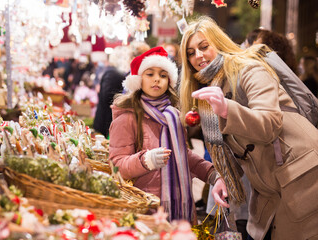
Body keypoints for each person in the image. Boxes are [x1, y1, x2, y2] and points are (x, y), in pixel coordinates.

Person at [179, 15, 318, 240]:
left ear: (218, 42)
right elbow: (237, 148)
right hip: (270, 189)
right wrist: (222, 178)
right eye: (191, 53)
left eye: (204, 47)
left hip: (303, 179)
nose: (199, 56)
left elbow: (269, 125)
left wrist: (226, 109)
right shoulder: (209, 88)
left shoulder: (249, 68)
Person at [108, 46, 228, 222]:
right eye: (150, 74)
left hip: (180, 208)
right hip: (146, 211)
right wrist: (145, 160)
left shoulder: (174, 115)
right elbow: (116, 165)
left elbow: (183, 155)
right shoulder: (127, 118)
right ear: (138, 79)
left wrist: (212, 174)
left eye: (163, 75)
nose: (157, 79)